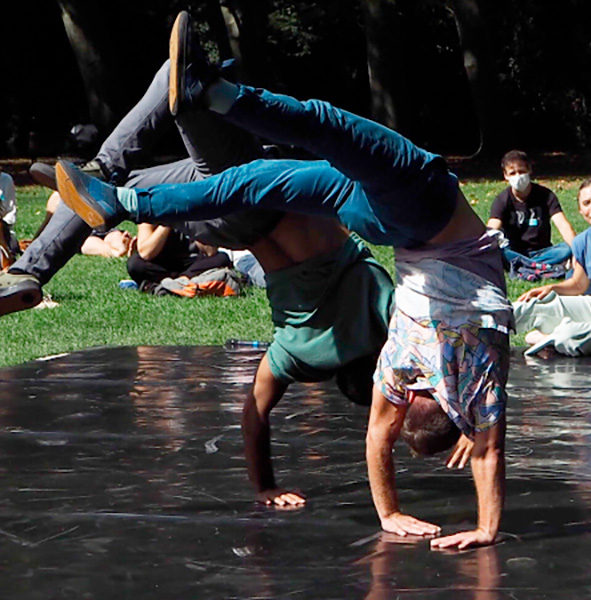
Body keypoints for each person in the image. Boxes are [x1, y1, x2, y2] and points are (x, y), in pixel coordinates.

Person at [54, 11, 513, 549]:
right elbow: (386, 436)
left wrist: (443, 488)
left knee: (319, 136)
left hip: (418, 214)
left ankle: (181, 135)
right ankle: (133, 191)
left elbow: (474, 449)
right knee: (266, 176)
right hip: (393, 218)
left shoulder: (449, 366)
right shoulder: (400, 373)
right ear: (417, 399)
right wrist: (463, 517)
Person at [0, 58, 472, 508]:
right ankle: (32, 267)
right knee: (112, 182)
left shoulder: (382, 314)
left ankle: (44, 255)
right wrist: (265, 485)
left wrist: (472, 419)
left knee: (182, 85)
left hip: (252, 192)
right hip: (222, 224)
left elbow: (449, 344)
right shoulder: (297, 353)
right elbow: (254, 415)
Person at [515, 177, 591, 356]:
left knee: (571, 335)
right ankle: (476, 334)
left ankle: (550, 338)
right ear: (580, 210)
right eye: (587, 203)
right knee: (531, 306)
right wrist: (551, 287)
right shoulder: (582, 242)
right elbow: (579, 285)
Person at [487, 150, 575, 275]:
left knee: (566, 249)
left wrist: (578, 250)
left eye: (521, 171)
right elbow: (492, 227)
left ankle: (524, 266)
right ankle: (540, 266)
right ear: (505, 176)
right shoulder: (502, 200)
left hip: (543, 251)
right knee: (498, 252)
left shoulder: (546, 195)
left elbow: (562, 224)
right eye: (513, 173)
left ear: (529, 170)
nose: (518, 176)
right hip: (514, 252)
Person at [126, 222, 231, 291]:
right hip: (164, 263)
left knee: (222, 258)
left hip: (193, 263)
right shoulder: (150, 214)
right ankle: (179, 284)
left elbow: (210, 252)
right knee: (135, 264)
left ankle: (170, 284)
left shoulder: (199, 209)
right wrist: (168, 221)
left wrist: (195, 221)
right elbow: (146, 253)